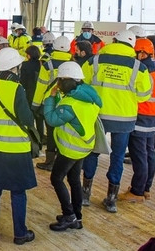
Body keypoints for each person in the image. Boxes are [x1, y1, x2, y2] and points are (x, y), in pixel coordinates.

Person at [80, 29, 152, 213]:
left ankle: (85, 195)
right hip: (124, 119)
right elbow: (144, 96)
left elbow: (83, 83)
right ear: (132, 46)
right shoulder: (139, 67)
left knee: (92, 152)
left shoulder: (94, 60)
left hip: (98, 115)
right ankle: (111, 199)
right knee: (118, 157)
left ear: (113, 40)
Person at [0, 47, 37, 245]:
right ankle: (20, 234)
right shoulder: (17, 89)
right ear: (15, 67)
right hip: (17, 150)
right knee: (18, 192)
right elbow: (27, 119)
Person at [42, 61, 101, 232]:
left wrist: (51, 98)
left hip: (71, 149)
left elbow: (52, 119)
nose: (58, 84)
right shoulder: (89, 97)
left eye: (60, 81)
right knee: (74, 179)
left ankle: (69, 216)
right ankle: (77, 216)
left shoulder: (71, 104)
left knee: (56, 178)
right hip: (84, 146)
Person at [119, 38, 155, 203]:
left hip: (141, 119)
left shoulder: (143, 73)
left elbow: (139, 95)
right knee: (149, 154)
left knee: (139, 156)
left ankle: (137, 191)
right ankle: (146, 188)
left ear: (142, 53)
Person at [33, 35, 73, 171]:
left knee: (51, 132)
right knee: (66, 131)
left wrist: (36, 104)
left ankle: (50, 162)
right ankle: (64, 162)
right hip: (67, 103)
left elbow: (41, 86)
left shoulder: (47, 65)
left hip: (49, 102)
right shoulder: (75, 64)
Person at [20, 45, 42, 143]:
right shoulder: (42, 64)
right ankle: (40, 136)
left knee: (30, 116)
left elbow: (22, 81)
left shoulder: (25, 65)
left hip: (29, 92)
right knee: (40, 117)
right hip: (40, 93)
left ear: (28, 55)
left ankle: (31, 136)